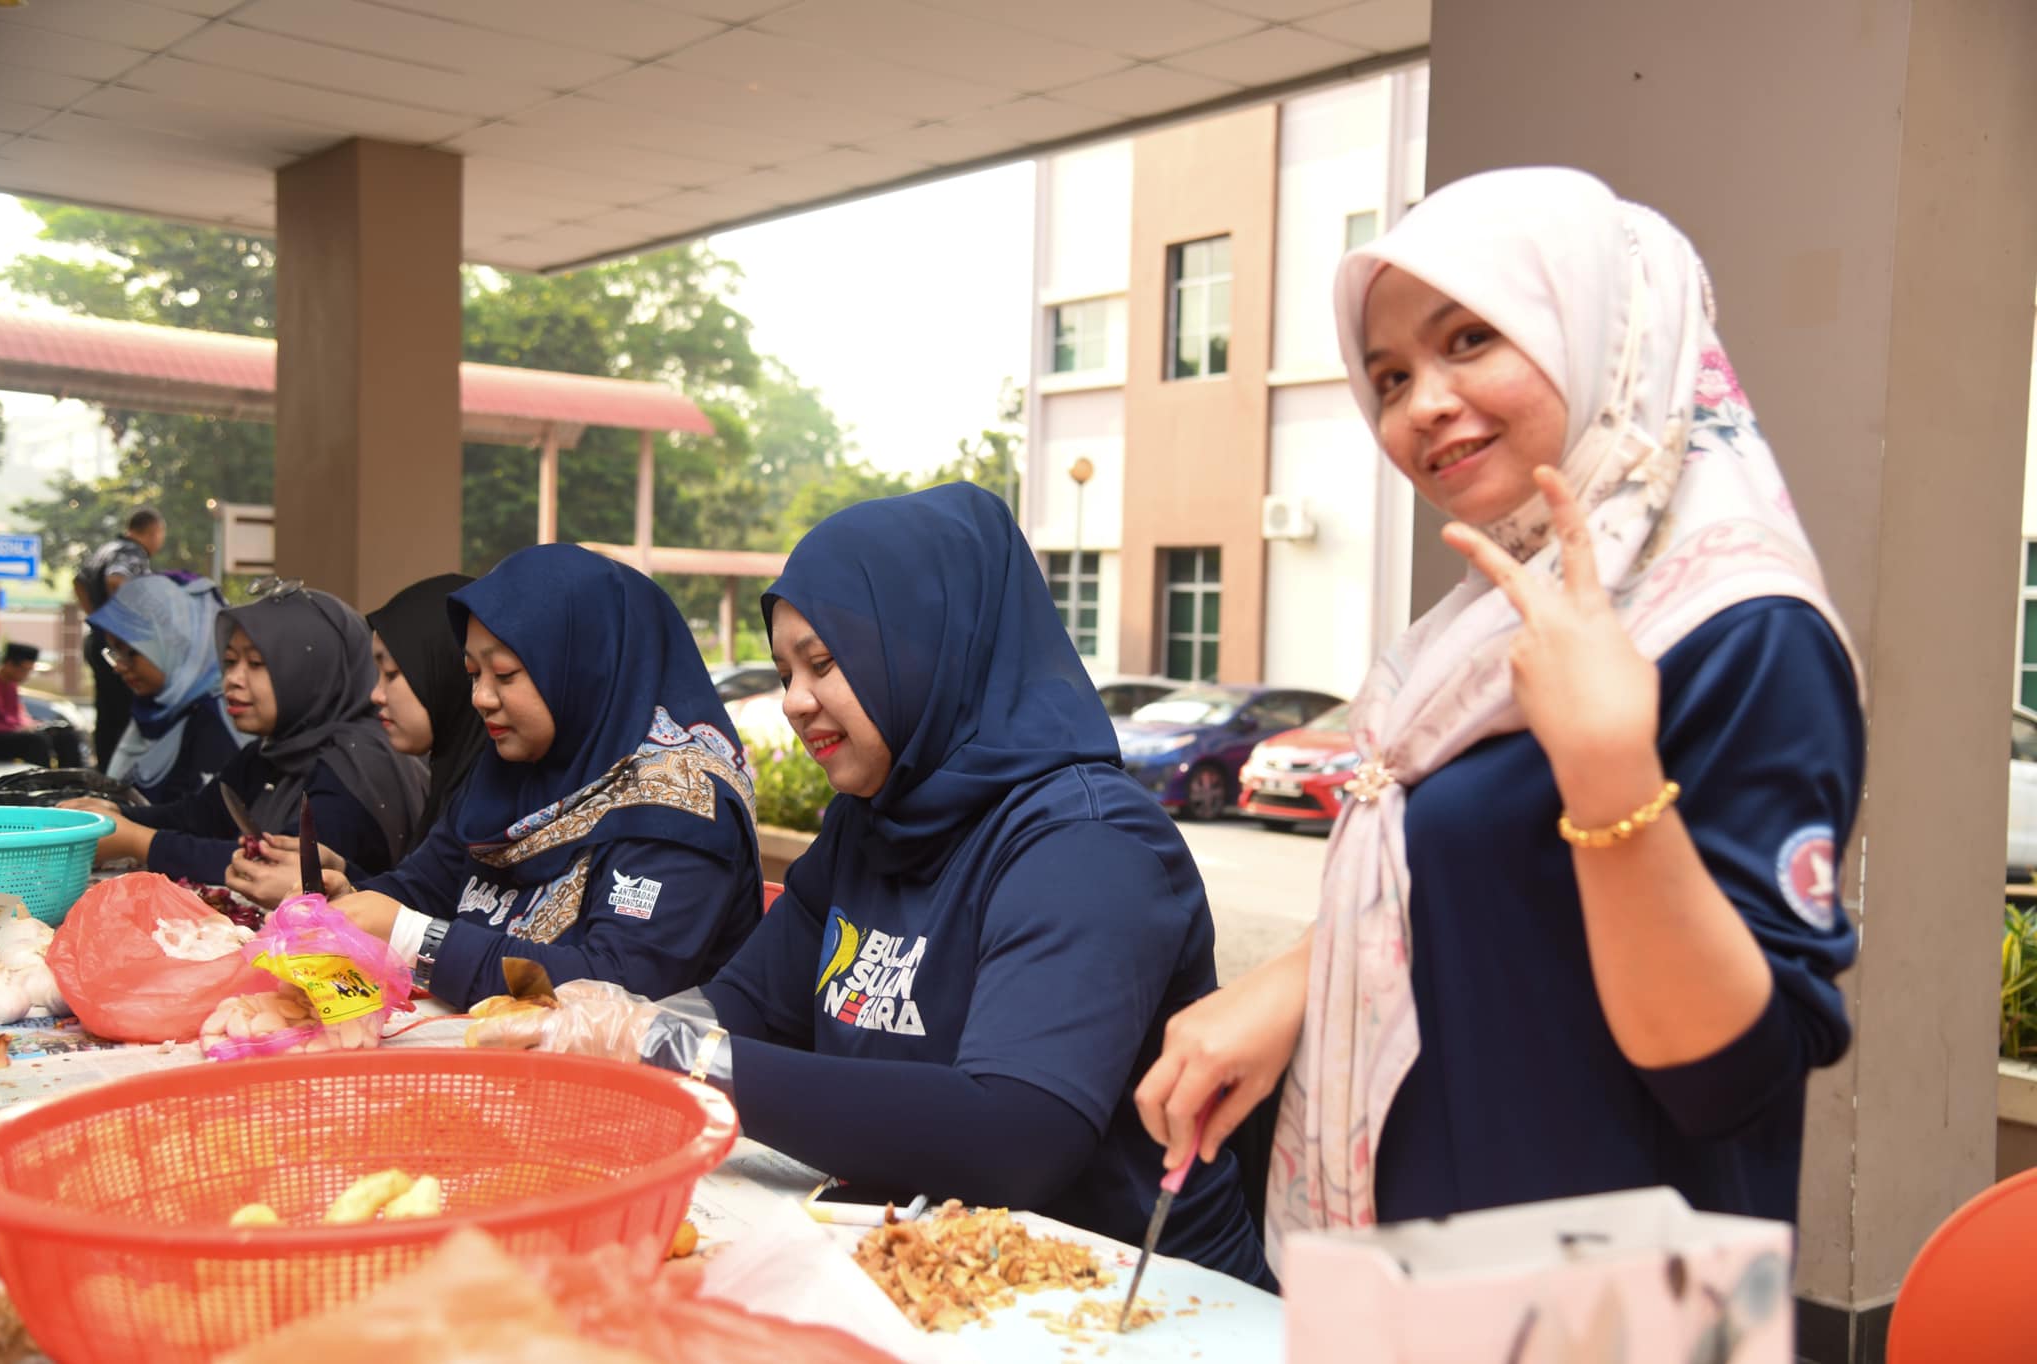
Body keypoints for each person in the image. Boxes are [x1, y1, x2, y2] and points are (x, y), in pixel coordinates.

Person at [1132, 168, 1865, 1266]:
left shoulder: (1739, 626)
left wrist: (1607, 770)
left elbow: (1730, 1076)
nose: (1418, 402)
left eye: (1469, 338)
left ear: (1600, 334)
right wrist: (1292, 985)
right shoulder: (1478, 632)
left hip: (1604, 1310)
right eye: (1386, 375)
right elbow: (1480, 886)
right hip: (1416, 1273)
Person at [471, 484, 1274, 1289]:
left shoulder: (1089, 845)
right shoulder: (873, 820)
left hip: (1132, 1300)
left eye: (824, 662)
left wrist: (665, 1046)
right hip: (920, 1268)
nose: (793, 702)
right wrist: (600, 1038)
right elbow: (749, 1004)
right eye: (785, 670)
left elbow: (1015, 1134)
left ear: (928, 647)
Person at [313, 545, 764, 1012]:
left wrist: (415, 938)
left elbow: (616, 988)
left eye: (505, 674)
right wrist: (358, 905)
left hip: (617, 1079)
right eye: (473, 673)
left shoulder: (679, 805)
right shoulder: (513, 768)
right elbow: (430, 883)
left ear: (585, 667)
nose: (481, 698)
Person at [67, 584, 427, 886]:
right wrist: (114, 816)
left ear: (312, 673)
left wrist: (139, 841)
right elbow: (201, 816)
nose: (233, 680)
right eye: (230, 661)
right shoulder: (275, 750)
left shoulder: (357, 766)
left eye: (256, 664)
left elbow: (279, 868)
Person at [227, 574, 485, 907]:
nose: (375, 694)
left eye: (391, 673)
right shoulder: (456, 777)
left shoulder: (364, 760)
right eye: (229, 661)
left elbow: (448, 930)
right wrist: (345, 878)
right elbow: (419, 900)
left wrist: (334, 899)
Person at [85, 574, 241, 803]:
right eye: (113, 653)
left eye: (129, 651)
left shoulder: (220, 722)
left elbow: (202, 830)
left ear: (172, 643)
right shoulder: (156, 711)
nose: (118, 666)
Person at [72, 507, 164, 768]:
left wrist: (97, 617)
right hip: (121, 645)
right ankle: (122, 776)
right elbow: (116, 579)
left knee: (107, 713)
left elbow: (78, 582)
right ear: (155, 531)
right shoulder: (132, 553)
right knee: (127, 712)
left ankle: (105, 772)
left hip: (98, 640)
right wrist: (122, 623)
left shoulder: (106, 549)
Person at [0, 644, 83, 769]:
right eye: (24, 670)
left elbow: (18, 715)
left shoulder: (11, 686)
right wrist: (14, 728)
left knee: (66, 735)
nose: (26, 675)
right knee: (35, 741)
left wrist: (35, 725)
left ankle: (71, 782)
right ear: (9, 664)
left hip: (11, 732)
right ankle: (40, 783)